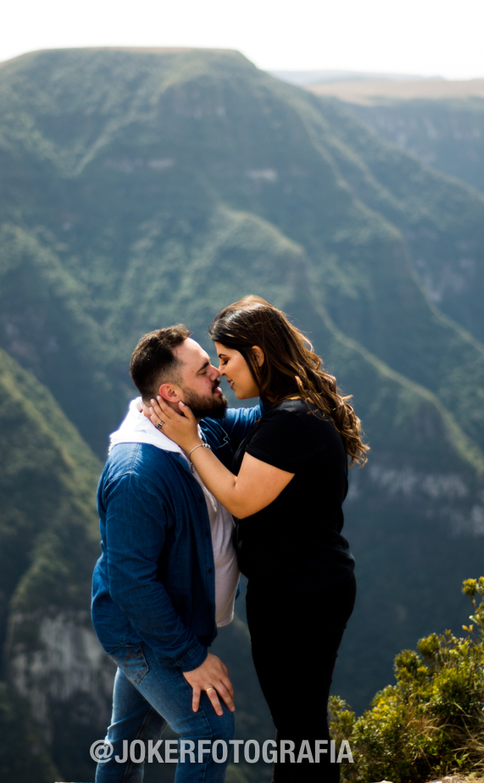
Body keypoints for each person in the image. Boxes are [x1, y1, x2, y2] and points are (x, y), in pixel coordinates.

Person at [144, 295, 367, 783]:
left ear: (259, 355)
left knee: (299, 729)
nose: (220, 372)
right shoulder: (281, 412)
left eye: (225, 359)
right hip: (295, 588)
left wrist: (189, 443)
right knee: (298, 726)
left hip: (303, 594)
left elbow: (240, 499)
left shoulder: (291, 420)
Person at [91, 324, 263, 783]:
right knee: (209, 727)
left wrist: (292, 390)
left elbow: (255, 425)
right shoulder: (137, 475)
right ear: (170, 391)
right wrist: (190, 657)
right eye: (205, 369)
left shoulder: (189, 419)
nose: (217, 374)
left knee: (128, 742)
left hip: (171, 620)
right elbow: (131, 582)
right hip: (144, 630)